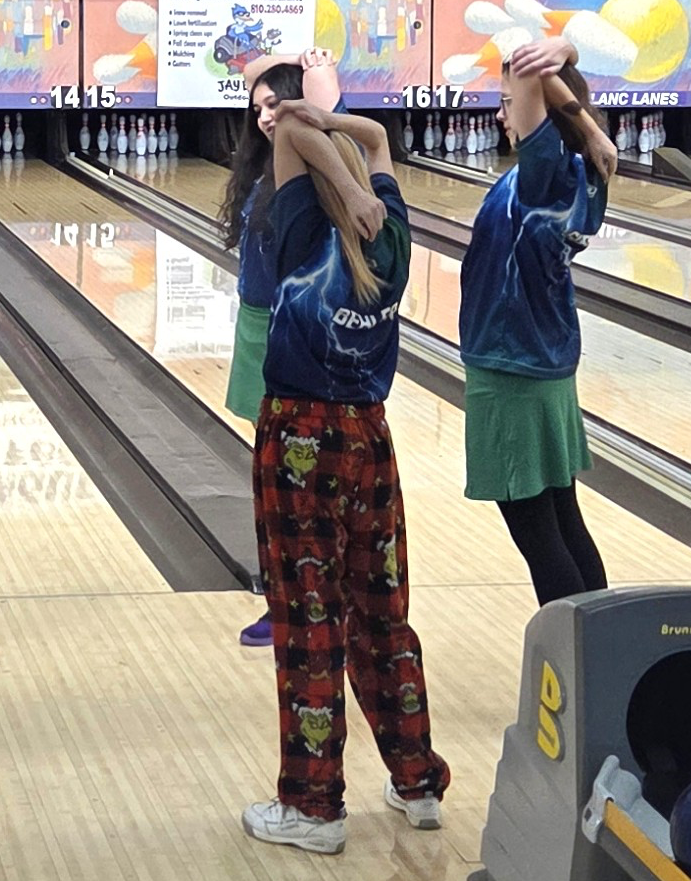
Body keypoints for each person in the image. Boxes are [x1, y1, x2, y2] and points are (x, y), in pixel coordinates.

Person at [240, 99, 450, 855]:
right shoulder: (389, 234)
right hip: (370, 435)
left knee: (309, 624)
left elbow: (296, 139)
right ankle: (417, 781)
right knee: (382, 614)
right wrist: (344, 131)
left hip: (299, 438)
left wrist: (308, 127)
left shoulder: (299, 225)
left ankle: (313, 806)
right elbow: (382, 140)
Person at [458, 36, 617, 607]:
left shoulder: (545, 170)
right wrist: (568, 63)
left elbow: (527, 67)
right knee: (564, 520)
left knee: (538, 536)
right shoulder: (588, 165)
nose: (500, 114)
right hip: (545, 362)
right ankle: (604, 657)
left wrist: (560, 51)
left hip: (512, 368)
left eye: (504, 103)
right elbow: (537, 72)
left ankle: (576, 668)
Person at [219, 47, 341, 647]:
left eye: (278, 102)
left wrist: (307, 71)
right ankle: (286, 589)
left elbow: (323, 110)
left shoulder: (311, 166)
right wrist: (280, 70)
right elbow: (250, 75)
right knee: (270, 473)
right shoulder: (264, 165)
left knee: (297, 476)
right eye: (259, 106)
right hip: (255, 322)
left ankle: (299, 597)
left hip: (296, 327)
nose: (267, 114)